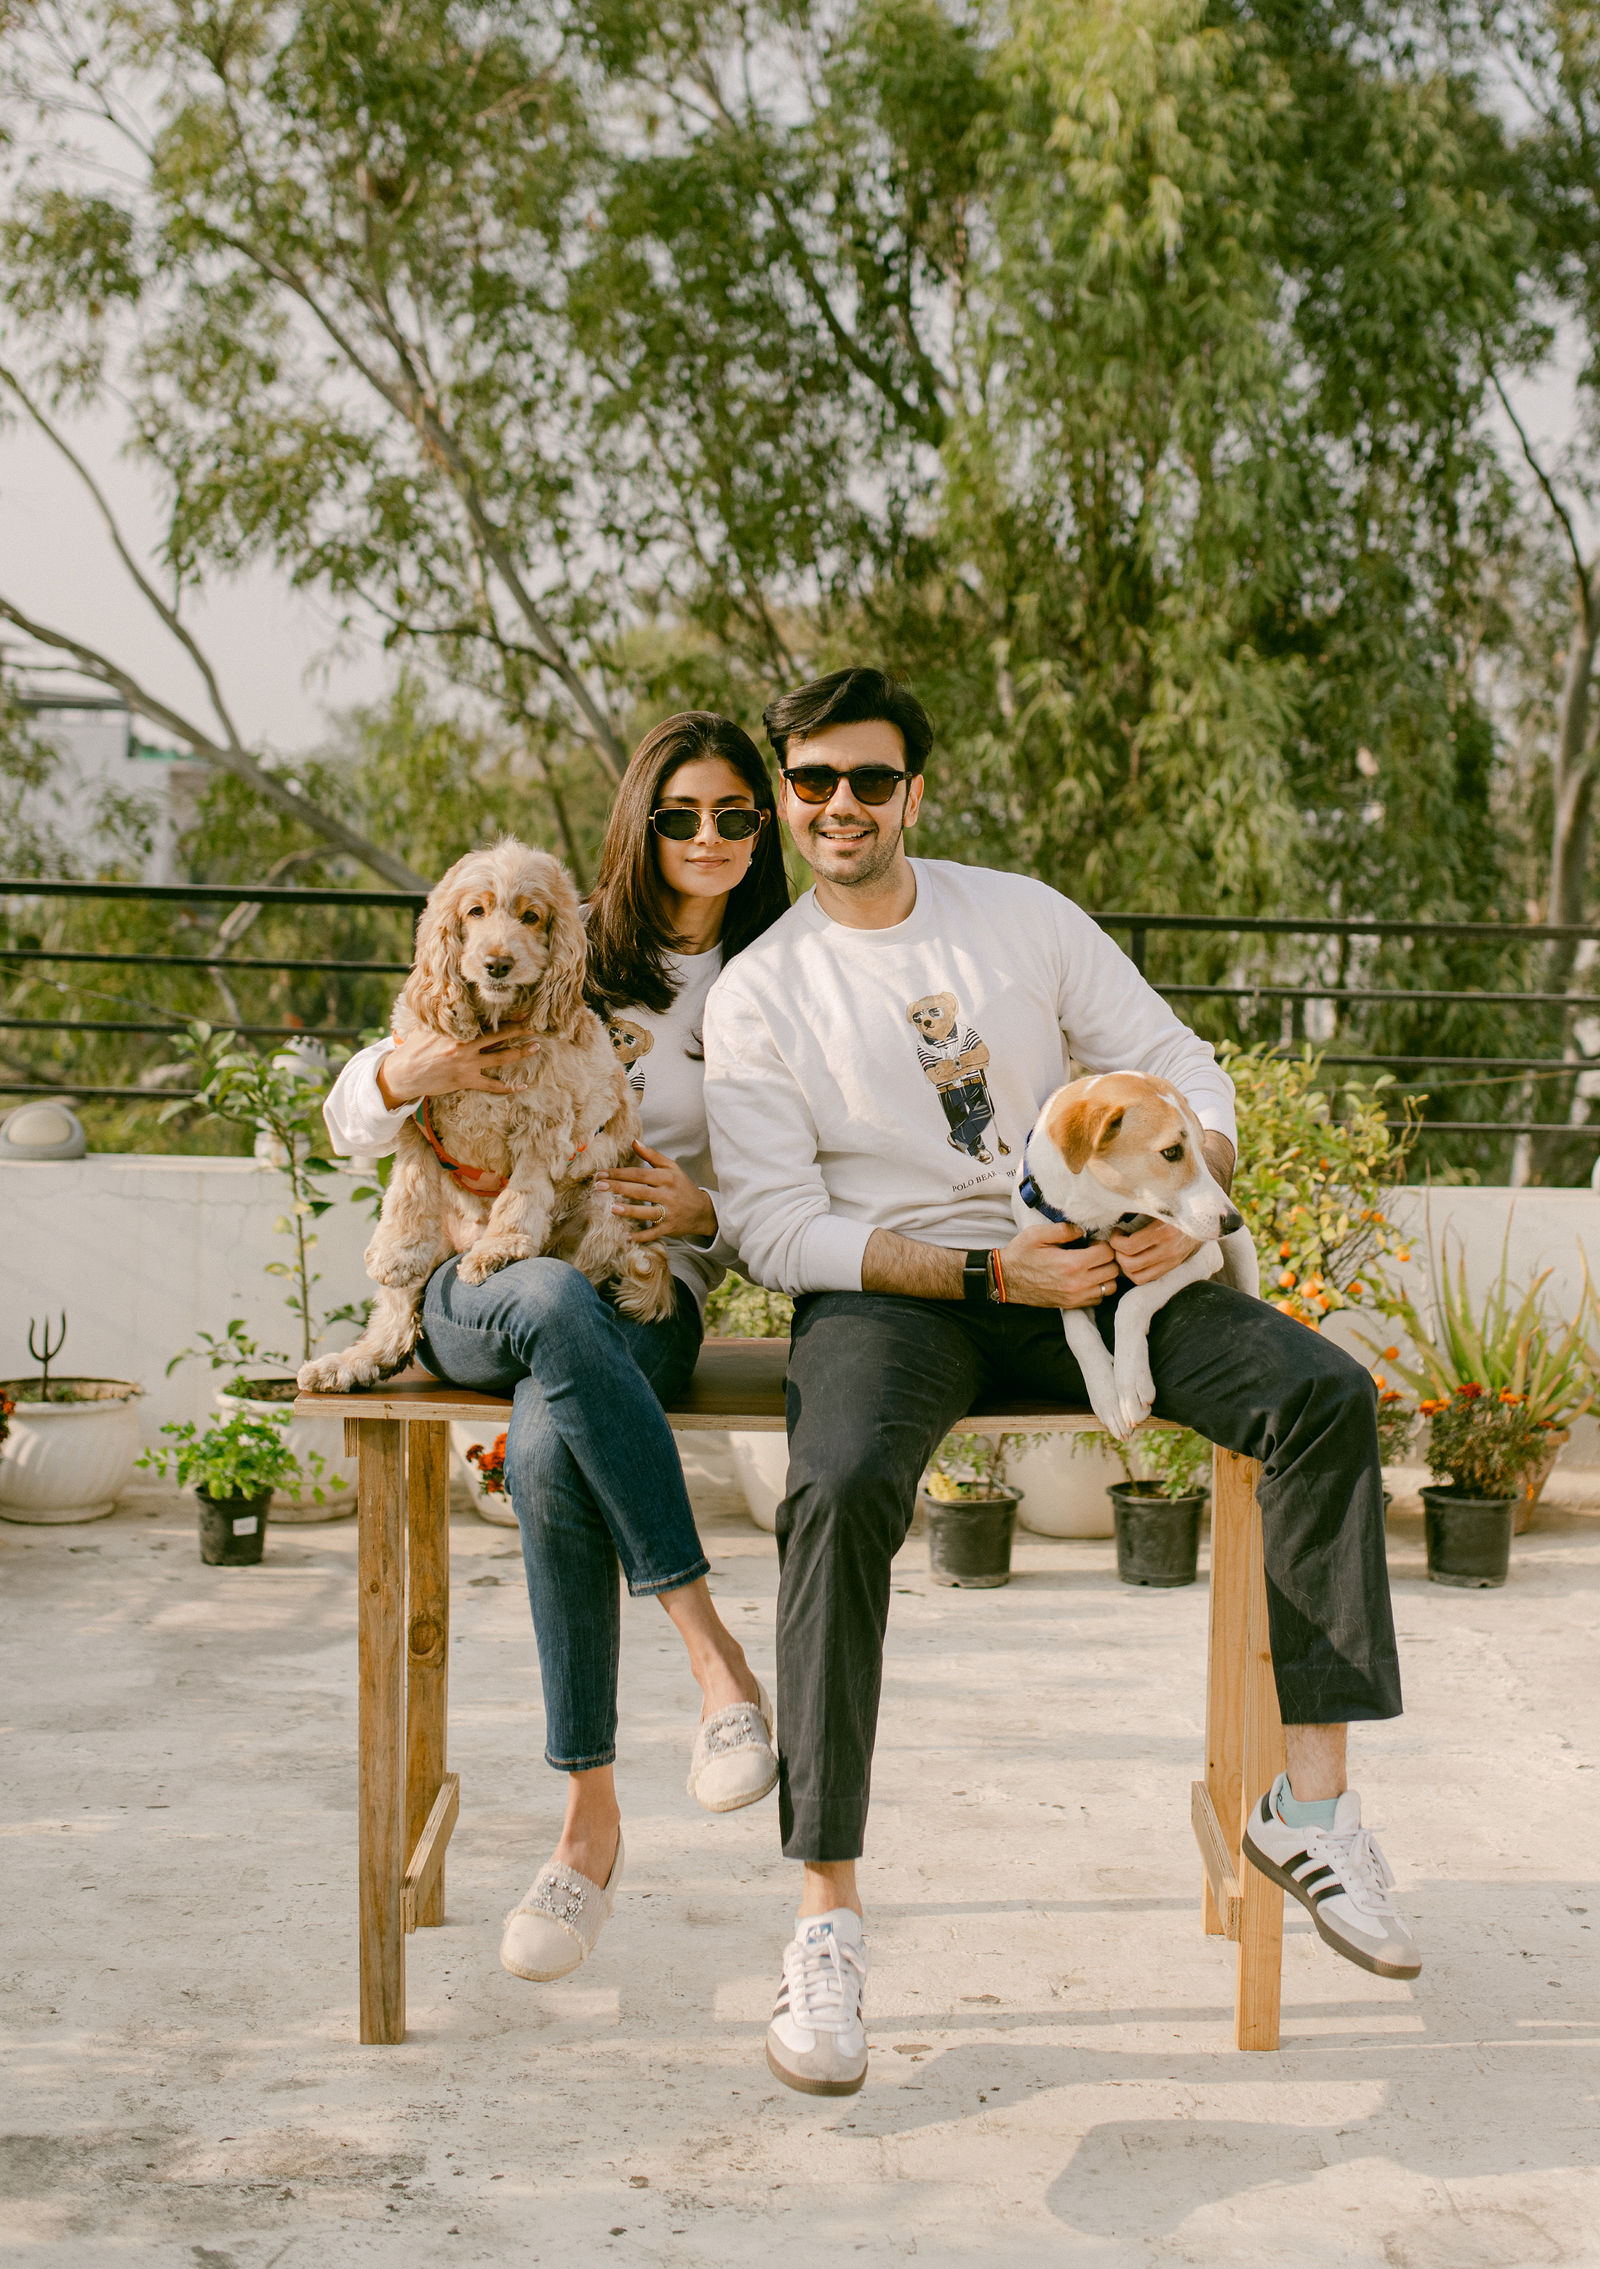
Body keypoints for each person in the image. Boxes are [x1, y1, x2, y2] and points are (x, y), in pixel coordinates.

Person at [702, 665, 1417, 2100]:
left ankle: (1312, 1808)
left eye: (871, 780)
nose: (840, 806)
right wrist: (976, 1275)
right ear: (787, 795)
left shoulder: (1019, 915)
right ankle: (825, 1917)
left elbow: (1178, 1066)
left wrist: (1184, 1181)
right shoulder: (762, 988)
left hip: (1098, 1261)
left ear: (916, 791)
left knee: (1323, 1395)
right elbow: (774, 1228)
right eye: (813, 782)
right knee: (835, 1491)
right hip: (902, 1298)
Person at [324, 712, 792, 1983]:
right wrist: (396, 1076)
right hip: (486, 1279)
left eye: (736, 816)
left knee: (545, 1442)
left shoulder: (788, 974)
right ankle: (716, 1657)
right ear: (640, 821)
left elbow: (809, 1189)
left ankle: (585, 1828)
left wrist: (714, 1214)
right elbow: (352, 1109)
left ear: (765, 831)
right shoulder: (543, 929)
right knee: (538, 1304)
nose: (707, 838)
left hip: (648, 1279)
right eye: (682, 813)